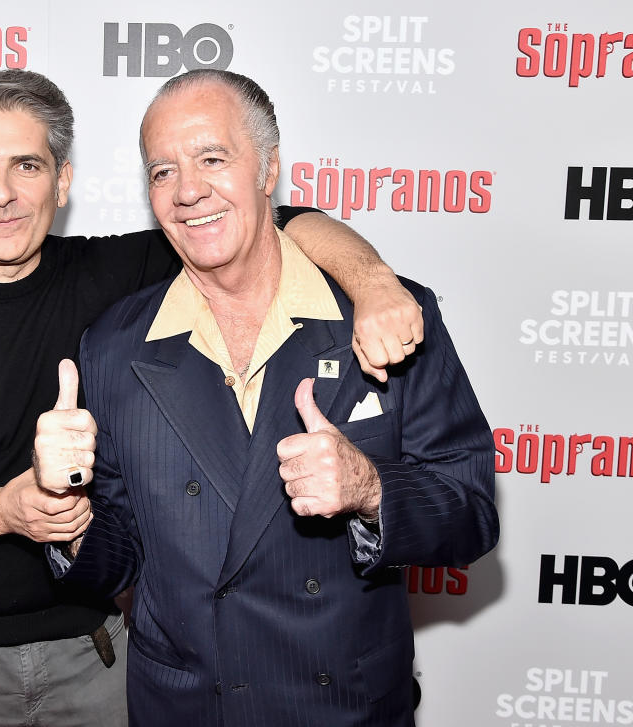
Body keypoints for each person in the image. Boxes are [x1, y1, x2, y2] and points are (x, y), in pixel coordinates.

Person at [0, 69, 424, 727]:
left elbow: (277, 222)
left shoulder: (114, 279)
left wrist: (375, 283)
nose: (1, 193)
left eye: (27, 164)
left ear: (63, 181)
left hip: (99, 653)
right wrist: (4, 509)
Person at [39, 69, 499, 727]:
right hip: (190, 706)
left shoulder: (386, 317)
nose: (187, 189)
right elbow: (116, 551)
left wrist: (370, 487)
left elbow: (473, 512)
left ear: (269, 168)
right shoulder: (115, 345)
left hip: (342, 706)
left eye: (212, 158)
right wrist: (64, 507)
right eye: (162, 171)